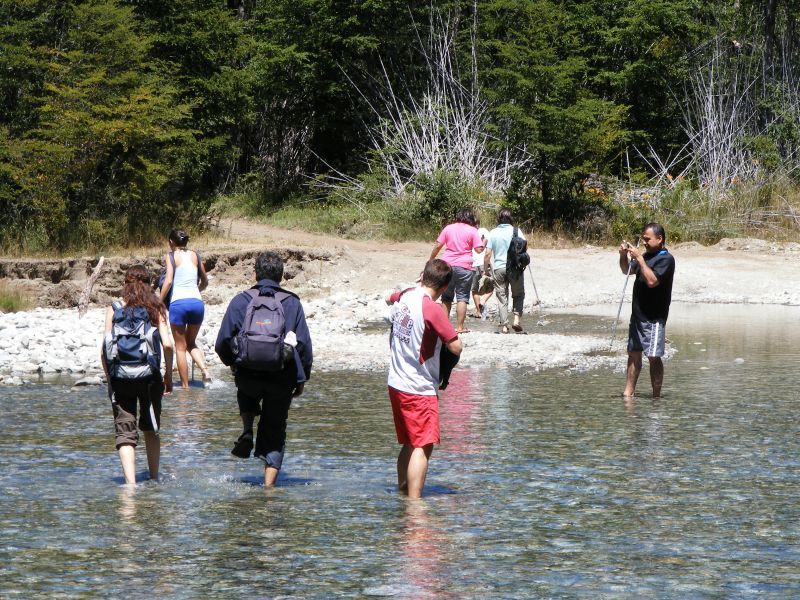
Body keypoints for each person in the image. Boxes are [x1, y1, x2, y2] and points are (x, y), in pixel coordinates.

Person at [214, 251, 313, 487]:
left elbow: (222, 342)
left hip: (247, 375)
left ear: (255, 274)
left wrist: (233, 365)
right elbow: (303, 346)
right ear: (282, 276)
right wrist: (301, 379)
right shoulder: (292, 303)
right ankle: (268, 489)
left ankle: (248, 429)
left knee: (246, 393)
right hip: (281, 376)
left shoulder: (241, 301)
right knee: (275, 429)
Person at [386, 259, 463, 499]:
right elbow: (456, 346)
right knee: (422, 444)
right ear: (444, 287)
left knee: (410, 442)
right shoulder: (432, 309)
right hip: (418, 387)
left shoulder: (406, 295)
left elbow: (390, 297)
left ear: (422, 276)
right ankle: (414, 503)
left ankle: (403, 492)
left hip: (396, 382)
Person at [101, 265, 173, 485]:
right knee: (151, 428)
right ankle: (154, 478)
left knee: (125, 432)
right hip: (149, 377)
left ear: (125, 284)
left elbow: (104, 349)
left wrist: (110, 380)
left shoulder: (114, 308)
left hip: (120, 377)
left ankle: (130, 485)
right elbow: (168, 345)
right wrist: (168, 376)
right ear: (149, 285)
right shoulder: (156, 308)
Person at [618, 223, 676, 398]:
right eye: (643, 239)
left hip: (654, 318)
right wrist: (623, 256)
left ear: (659, 239)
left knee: (653, 357)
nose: (644, 242)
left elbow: (652, 281)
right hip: (637, 316)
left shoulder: (666, 259)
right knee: (633, 354)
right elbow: (626, 270)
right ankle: (628, 393)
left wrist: (640, 259)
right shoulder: (645, 256)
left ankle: (656, 398)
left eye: (647, 239)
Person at [159, 228, 211, 388]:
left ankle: (185, 387)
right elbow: (205, 281)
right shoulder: (195, 255)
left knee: (180, 348)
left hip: (178, 303)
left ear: (171, 242)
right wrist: (197, 291)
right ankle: (205, 371)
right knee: (191, 342)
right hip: (197, 303)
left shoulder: (170, 256)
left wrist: (159, 301)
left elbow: (168, 281)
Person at [429, 208, 483, 334]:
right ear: (470, 218)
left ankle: (444, 327)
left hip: (447, 266)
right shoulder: (473, 230)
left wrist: (431, 259)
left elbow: (438, 246)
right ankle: (460, 327)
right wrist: (483, 243)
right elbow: (479, 250)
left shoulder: (448, 228)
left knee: (446, 297)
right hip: (465, 267)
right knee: (462, 297)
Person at [484, 208, 526, 334]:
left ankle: (504, 326)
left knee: (502, 296)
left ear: (499, 219)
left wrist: (486, 269)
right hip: (515, 267)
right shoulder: (516, 231)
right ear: (511, 218)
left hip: (498, 268)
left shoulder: (493, 232)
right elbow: (524, 248)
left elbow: (487, 254)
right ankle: (516, 320)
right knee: (518, 294)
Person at [470, 224, 493, 319]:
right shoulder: (484, 230)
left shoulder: (470, 232)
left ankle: (479, 311)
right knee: (491, 288)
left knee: (474, 290)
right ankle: (482, 302)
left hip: (473, 264)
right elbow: (487, 242)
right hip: (484, 263)